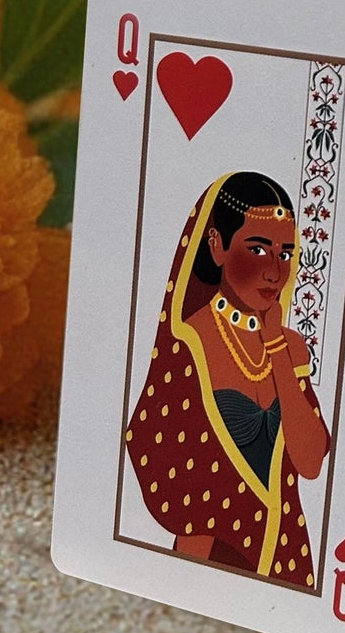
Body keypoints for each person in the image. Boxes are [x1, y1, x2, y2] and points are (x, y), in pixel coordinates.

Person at [124, 170, 330, 585]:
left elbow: (310, 463)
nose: (275, 270)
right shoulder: (189, 341)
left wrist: (276, 348)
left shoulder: (290, 347)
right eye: (258, 249)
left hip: (286, 554)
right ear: (216, 245)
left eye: (286, 253)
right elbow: (150, 449)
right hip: (210, 562)